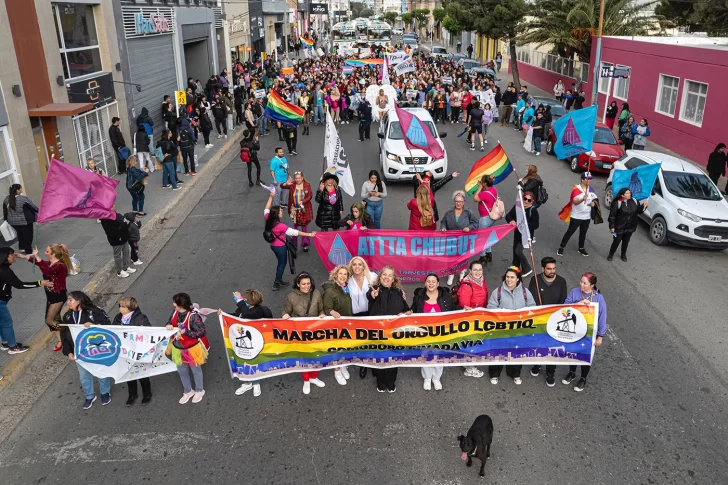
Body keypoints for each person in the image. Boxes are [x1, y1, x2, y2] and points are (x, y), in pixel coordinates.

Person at [61, 291, 113, 408]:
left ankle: (105, 392)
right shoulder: (67, 316)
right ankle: (89, 396)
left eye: (70, 300)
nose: (67, 302)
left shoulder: (93, 312)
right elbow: (64, 336)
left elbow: (108, 326)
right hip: (79, 353)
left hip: (96, 350)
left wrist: (94, 324)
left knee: (101, 372)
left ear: (78, 301)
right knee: (84, 376)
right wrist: (68, 352)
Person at [487, 267, 537, 385]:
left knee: (516, 353)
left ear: (518, 279)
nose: (509, 280)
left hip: (518, 331)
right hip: (501, 330)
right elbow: (490, 308)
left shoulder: (525, 292)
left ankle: (514, 373)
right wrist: (502, 312)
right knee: (498, 352)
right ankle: (494, 374)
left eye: (512, 277)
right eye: (507, 277)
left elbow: (532, 307)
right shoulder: (497, 292)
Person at [19, 245, 71, 352]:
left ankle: (69, 333)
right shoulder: (51, 263)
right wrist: (25, 257)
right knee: (54, 319)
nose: (45, 253)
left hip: (58, 296)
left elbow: (47, 270)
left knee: (49, 320)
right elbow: (40, 264)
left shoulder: (60, 266)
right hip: (51, 296)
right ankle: (61, 339)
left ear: (54, 254)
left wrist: (37, 256)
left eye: (47, 251)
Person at [367, 266, 410, 393]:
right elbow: (369, 296)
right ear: (380, 277)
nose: (387, 277)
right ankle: (380, 382)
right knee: (379, 357)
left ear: (393, 279)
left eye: (390, 275)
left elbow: (406, 309)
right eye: (384, 275)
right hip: (378, 332)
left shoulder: (398, 292)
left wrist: (407, 312)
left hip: (393, 333)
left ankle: (391, 382)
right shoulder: (374, 290)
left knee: (392, 357)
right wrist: (372, 295)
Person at [0, 247, 51, 354]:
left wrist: (23, 257)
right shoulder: (4, 271)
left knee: (1, 323)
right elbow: (20, 285)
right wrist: (39, 283)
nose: (14, 256)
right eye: (11, 255)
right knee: (7, 323)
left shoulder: (3, 268)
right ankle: (13, 347)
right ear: (5, 257)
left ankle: (6, 342)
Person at [561, 273, 607, 392]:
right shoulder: (575, 292)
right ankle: (572, 372)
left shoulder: (598, 298)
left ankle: (583, 377)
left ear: (592, 285)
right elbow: (565, 307)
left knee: (586, 355)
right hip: (574, 331)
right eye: (581, 281)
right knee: (572, 352)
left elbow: (602, 317)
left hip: (589, 333)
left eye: (585, 283)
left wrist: (600, 336)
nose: (581, 284)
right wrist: (579, 303)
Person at [282, 272, 326, 394]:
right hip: (300, 332)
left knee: (317, 355)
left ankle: (314, 377)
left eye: (308, 283)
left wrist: (322, 314)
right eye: (303, 284)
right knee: (304, 357)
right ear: (298, 284)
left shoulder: (316, 293)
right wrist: (284, 315)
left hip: (315, 331)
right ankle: (306, 380)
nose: (306, 286)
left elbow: (321, 308)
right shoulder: (291, 297)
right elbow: (286, 311)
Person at [264, 189, 316, 290]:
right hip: (280, 247)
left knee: (280, 262)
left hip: (273, 246)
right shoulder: (280, 226)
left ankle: (279, 279)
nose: (282, 211)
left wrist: (271, 197)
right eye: (280, 211)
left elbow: (266, 209)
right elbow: (295, 232)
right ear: (277, 214)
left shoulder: (268, 219)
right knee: (282, 264)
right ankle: (276, 282)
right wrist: (309, 234)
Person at [528, 257, 568, 386]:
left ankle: (551, 372)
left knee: (553, 348)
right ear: (542, 269)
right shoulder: (535, 279)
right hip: (540, 320)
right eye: (549, 269)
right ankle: (537, 363)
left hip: (555, 322)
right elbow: (532, 299)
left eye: (554, 268)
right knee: (539, 344)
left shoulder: (562, 282)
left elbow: (563, 302)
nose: (552, 271)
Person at [411, 273, 454, 390]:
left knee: (439, 355)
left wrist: (464, 309)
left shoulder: (445, 296)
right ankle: (427, 378)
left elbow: (453, 309)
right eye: (428, 281)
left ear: (438, 284)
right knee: (425, 354)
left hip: (441, 333)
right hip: (424, 334)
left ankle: (436, 378)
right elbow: (413, 311)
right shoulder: (419, 297)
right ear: (425, 283)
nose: (431, 284)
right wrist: (408, 312)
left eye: (433, 281)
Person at [227, 289, 273, 397]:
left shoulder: (258, 311)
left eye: (244, 298)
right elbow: (236, 316)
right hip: (242, 343)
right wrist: (224, 314)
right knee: (244, 361)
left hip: (255, 343)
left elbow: (247, 315)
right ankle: (248, 382)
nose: (242, 299)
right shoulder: (242, 308)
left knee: (253, 361)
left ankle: (256, 383)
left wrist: (239, 300)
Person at [165, 293, 209, 404]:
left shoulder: (193, 316)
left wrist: (187, 332)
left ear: (182, 304)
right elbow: (169, 321)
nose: (173, 304)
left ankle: (199, 390)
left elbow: (201, 332)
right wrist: (168, 325)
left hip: (192, 348)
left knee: (196, 370)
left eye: (175, 302)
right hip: (177, 348)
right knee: (182, 371)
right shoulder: (174, 312)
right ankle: (188, 391)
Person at [112, 297, 153, 405]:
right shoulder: (118, 318)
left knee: (141, 373)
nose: (120, 308)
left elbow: (149, 332)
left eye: (122, 306)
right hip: (125, 352)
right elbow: (113, 330)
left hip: (137, 351)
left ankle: (147, 393)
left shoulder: (140, 318)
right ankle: (132, 394)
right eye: (120, 306)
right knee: (128, 374)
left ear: (129, 308)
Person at [322, 265, 353, 385]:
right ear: (335, 275)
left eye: (345, 274)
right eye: (340, 273)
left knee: (345, 346)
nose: (343, 276)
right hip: (335, 325)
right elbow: (327, 308)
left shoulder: (347, 288)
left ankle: (343, 365)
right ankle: (337, 370)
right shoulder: (330, 291)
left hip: (347, 323)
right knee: (336, 348)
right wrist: (331, 312)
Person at [440, 190, 478, 285]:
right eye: (457, 201)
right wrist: (443, 228)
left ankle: (462, 273)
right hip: (451, 239)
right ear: (454, 201)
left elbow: (475, 223)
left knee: (463, 256)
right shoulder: (449, 212)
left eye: (460, 201)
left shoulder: (468, 212)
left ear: (464, 201)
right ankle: (451, 274)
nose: (458, 203)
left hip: (464, 239)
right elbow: (443, 222)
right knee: (451, 256)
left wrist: (469, 228)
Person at [458, 260, 488, 378]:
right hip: (471, 320)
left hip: (479, 317)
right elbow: (464, 307)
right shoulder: (467, 286)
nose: (477, 272)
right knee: (470, 342)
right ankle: (469, 367)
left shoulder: (481, 280)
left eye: (479, 269)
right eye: (475, 270)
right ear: (470, 271)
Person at [557, 172, 598, 257]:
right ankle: (561, 247)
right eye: (588, 178)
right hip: (576, 216)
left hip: (587, 217)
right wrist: (582, 199)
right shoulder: (576, 189)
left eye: (590, 179)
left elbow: (595, 199)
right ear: (582, 179)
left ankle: (581, 248)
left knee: (583, 233)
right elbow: (575, 202)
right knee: (570, 232)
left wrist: (593, 203)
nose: (589, 180)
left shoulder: (591, 189)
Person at [607, 188, 648, 262]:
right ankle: (611, 254)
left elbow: (639, 211)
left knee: (626, 242)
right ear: (622, 195)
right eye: (627, 193)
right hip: (619, 227)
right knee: (616, 241)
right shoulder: (617, 203)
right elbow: (612, 216)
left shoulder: (634, 201)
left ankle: (623, 255)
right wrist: (612, 226)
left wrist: (644, 206)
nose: (629, 194)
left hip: (630, 227)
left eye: (629, 193)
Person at [505, 191, 539, 277]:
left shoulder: (533, 210)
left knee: (518, 251)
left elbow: (536, 224)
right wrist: (511, 220)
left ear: (532, 201)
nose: (526, 201)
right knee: (515, 251)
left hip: (526, 235)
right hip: (517, 233)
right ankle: (515, 267)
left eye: (529, 200)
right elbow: (508, 216)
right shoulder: (518, 207)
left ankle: (527, 268)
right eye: (525, 199)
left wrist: (526, 225)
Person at [281, 171, 314, 251]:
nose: (298, 180)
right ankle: (294, 244)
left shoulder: (307, 185)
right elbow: (282, 186)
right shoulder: (292, 185)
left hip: (303, 209)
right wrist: (286, 183)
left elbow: (310, 195)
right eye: (296, 178)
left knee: (304, 226)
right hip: (294, 210)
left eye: (299, 178)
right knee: (295, 227)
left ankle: (305, 244)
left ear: (302, 178)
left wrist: (303, 201)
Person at [100, 209, 136, 278]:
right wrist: (124, 225)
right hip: (116, 240)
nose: (114, 206)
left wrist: (126, 223)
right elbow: (112, 231)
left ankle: (126, 267)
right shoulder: (106, 220)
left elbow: (124, 221)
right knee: (118, 255)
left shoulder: (116, 214)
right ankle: (119, 271)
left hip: (124, 237)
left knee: (126, 251)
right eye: (112, 205)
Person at [3, 184, 37, 254]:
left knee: (20, 234)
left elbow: (5, 211)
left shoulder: (6, 199)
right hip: (24, 221)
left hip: (13, 222)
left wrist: (6, 220)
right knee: (28, 235)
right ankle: (29, 252)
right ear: (17, 190)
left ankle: (22, 247)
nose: (21, 189)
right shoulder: (23, 199)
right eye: (21, 188)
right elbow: (33, 207)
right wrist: (41, 211)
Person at [473, 175, 499, 264]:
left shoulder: (484, 193)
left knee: (482, 238)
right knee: (488, 235)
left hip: (485, 218)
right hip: (491, 217)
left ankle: (483, 256)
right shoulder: (493, 190)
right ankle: (489, 253)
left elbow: (475, 198)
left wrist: (479, 187)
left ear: (484, 183)